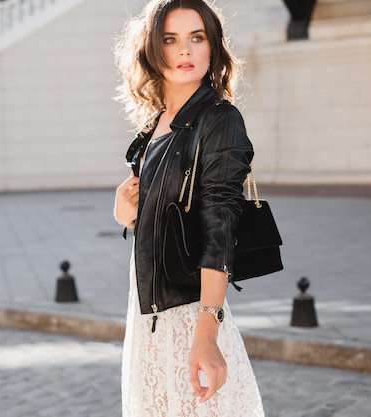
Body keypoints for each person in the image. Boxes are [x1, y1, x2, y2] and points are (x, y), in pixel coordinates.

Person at [113, 1, 265, 416]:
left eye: (196, 38)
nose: (185, 51)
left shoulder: (220, 120)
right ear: (152, 50)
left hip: (188, 313)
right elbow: (151, 218)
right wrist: (123, 212)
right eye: (171, 39)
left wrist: (207, 330)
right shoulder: (154, 126)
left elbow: (220, 225)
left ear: (212, 47)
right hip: (146, 314)